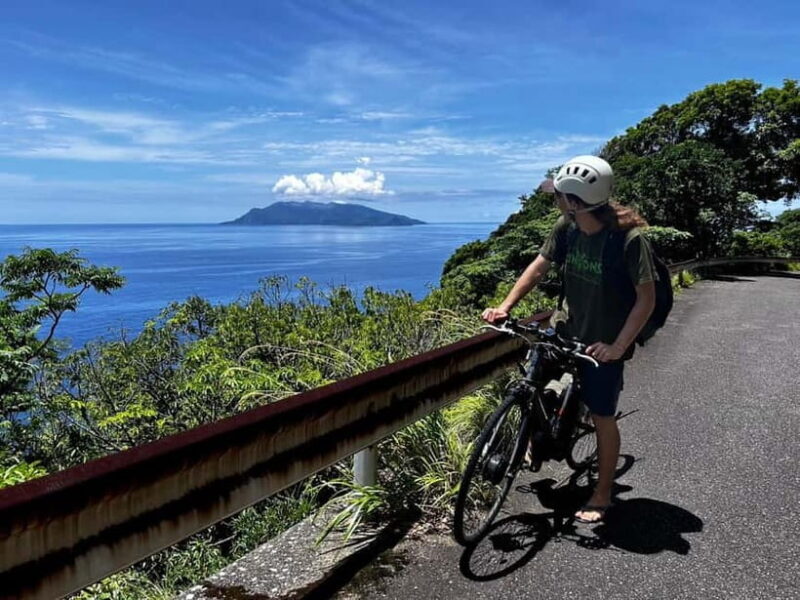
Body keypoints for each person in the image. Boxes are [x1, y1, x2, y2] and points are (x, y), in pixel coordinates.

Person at [481, 155, 656, 524]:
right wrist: (506, 305)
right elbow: (539, 265)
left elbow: (646, 298)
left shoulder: (628, 240)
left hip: (604, 344)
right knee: (532, 384)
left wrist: (618, 347)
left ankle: (603, 493)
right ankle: (537, 438)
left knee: (602, 416)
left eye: (559, 195)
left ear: (575, 201)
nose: (555, 200)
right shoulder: (568, 227)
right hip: (565, 329)